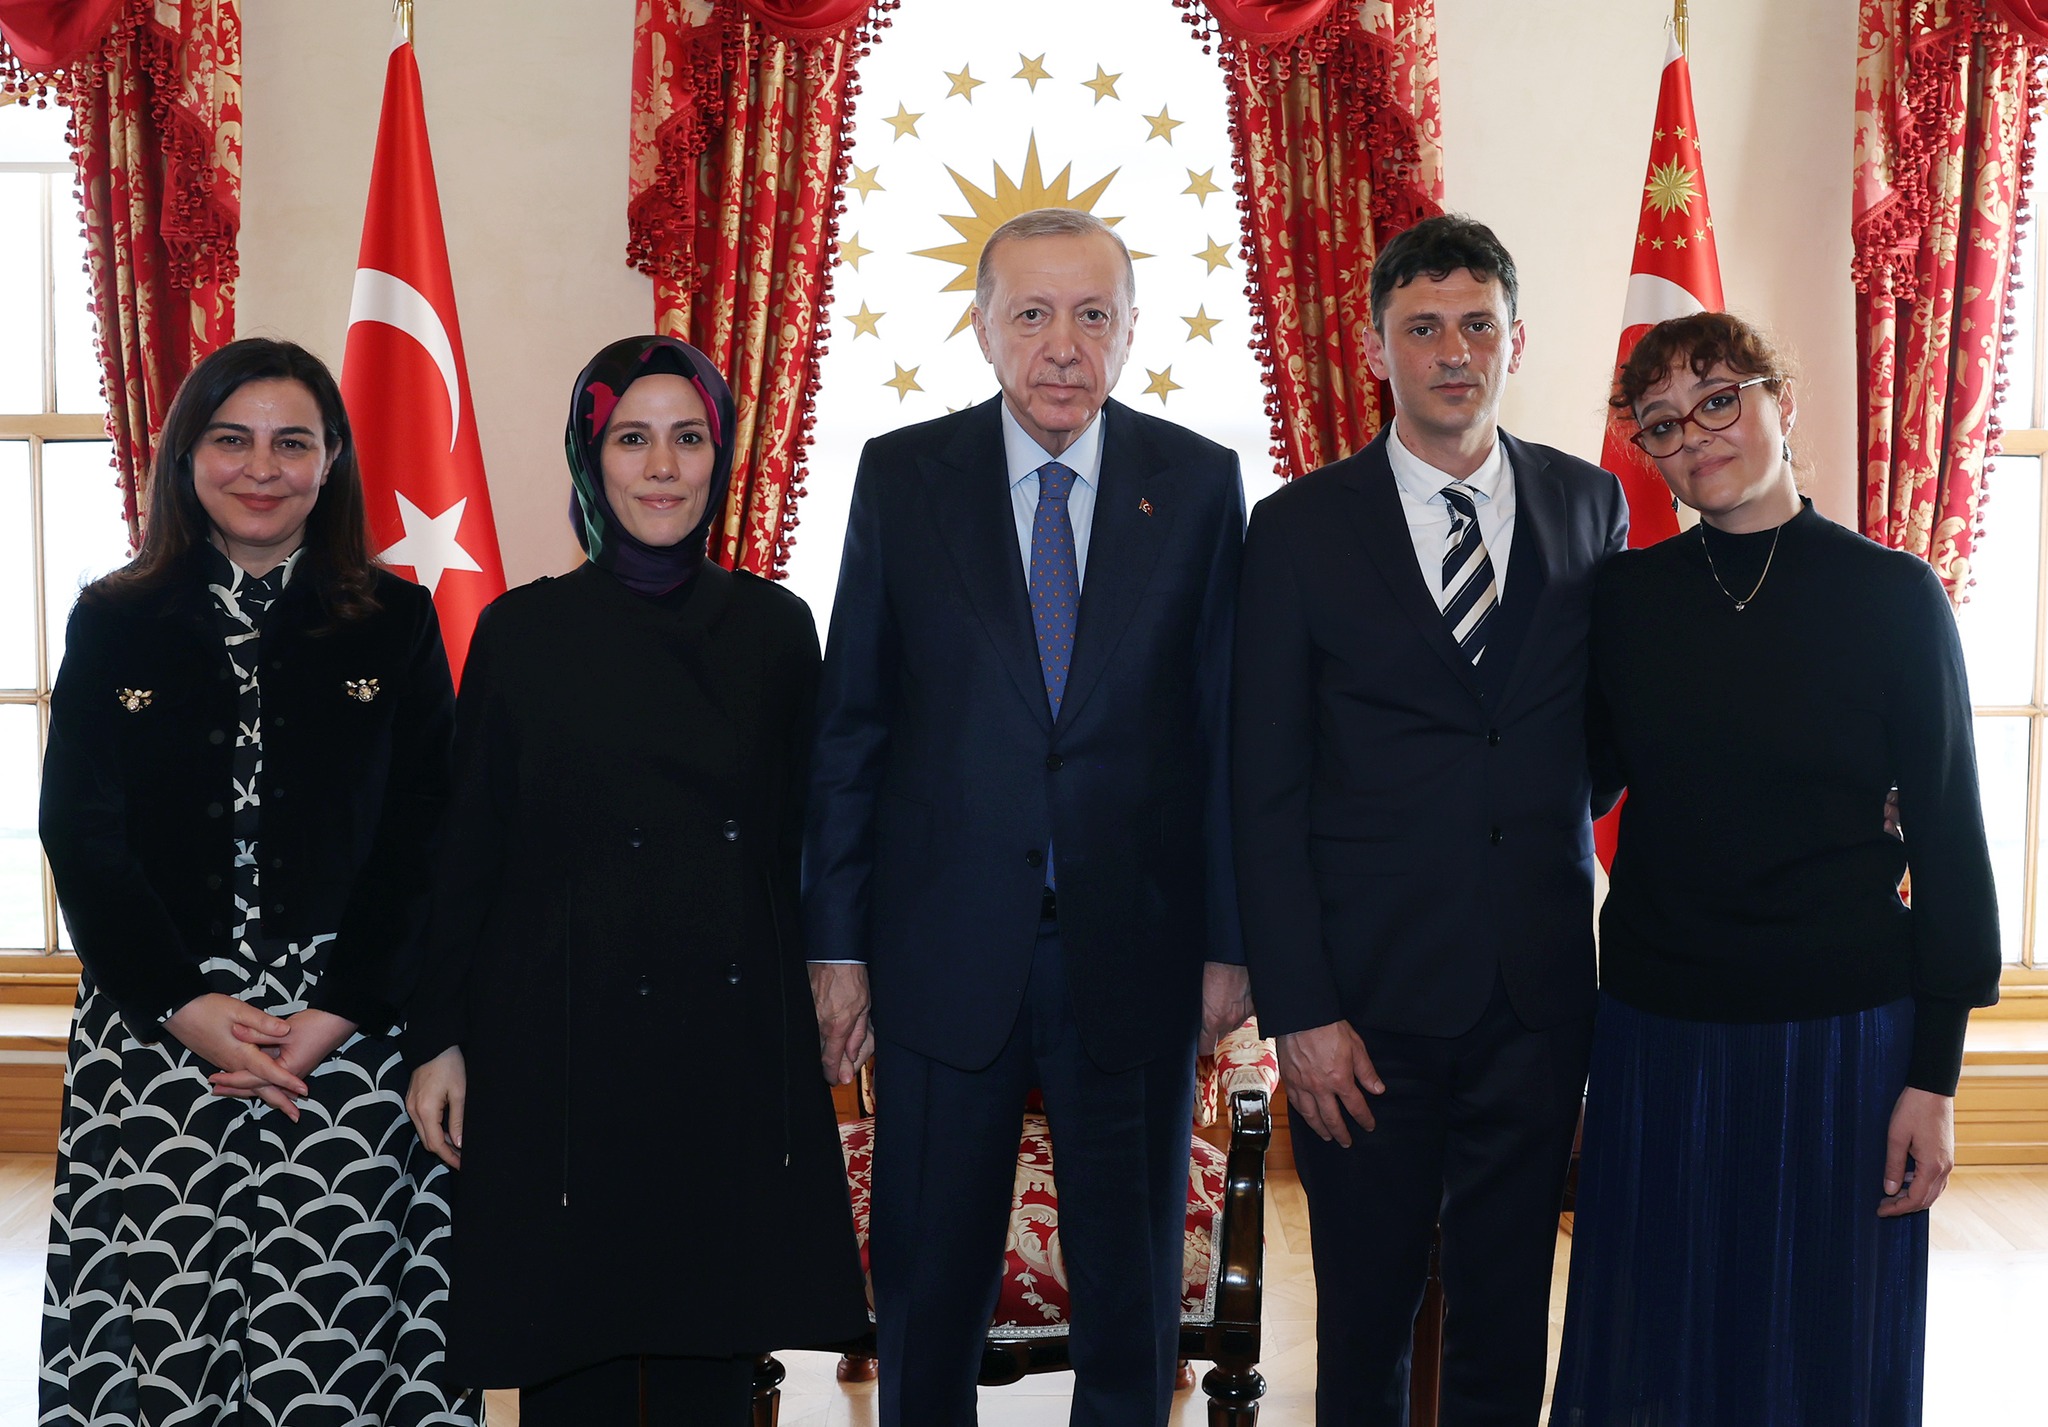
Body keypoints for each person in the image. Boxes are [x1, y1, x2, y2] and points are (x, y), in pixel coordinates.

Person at [804, 207, 1250, 1427]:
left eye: (1092, 315)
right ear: (982, 326)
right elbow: (852, 725)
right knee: (926, 1280)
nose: (1063, 346)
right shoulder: (903, 475)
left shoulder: (1196, 484)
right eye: (1033, 314)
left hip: (1136, 948)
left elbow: (1223, 734)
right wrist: (836, 943)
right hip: (941, 949)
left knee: (1130, 1291)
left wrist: (1228, 941)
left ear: (1130, 330)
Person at [402, 334, 867, 1426]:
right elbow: (466, 852)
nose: (662, 466)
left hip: (726, 1044)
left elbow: (814, 831)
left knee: (713, 1358)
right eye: (631, 438)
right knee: (571, 1356)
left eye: (688, 437)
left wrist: (842, 969)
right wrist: (437, 1035)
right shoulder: (519, 632)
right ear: (589, 456)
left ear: (721, 456)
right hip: (561, 1047)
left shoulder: (776, 628)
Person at [1549, 311, 2000, 1426]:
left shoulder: (1893, 596)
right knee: (1654, 1351)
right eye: (1662, 423)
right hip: (1658, 1034)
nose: (1695, 435)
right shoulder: (1622, 602)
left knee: (1819, 1353)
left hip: (1843, 1042)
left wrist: (1934, 1079)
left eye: (1718, 399)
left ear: (1779, 400)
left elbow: (1950, 842)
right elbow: (1562, 782)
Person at [1232, 213, 1627, 1425]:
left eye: (1476, 325)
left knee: (1507, 1320)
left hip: (1536, 1000)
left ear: (1514, 338)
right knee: (1363, 1324)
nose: (1453, 352)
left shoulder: (1588, 503)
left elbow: (1611, 738)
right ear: (1374, 347)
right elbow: (1262, 787)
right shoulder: (1294, 527)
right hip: (1362, 1011)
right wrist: (1298, 1012)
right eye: (1421, 328)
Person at [37, 337, 473, 1424]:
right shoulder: (114, 618)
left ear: (333, 462)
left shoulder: (395, 620)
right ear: (187, 455)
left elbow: (426, 837)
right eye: (232, 439)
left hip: (347, 1037)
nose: (262, 468)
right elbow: (80, 835)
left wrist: (338, 1012)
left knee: (333, 1338)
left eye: (293, 443)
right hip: (158, 1027)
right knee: (164, 1338)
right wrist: (183, 1005)